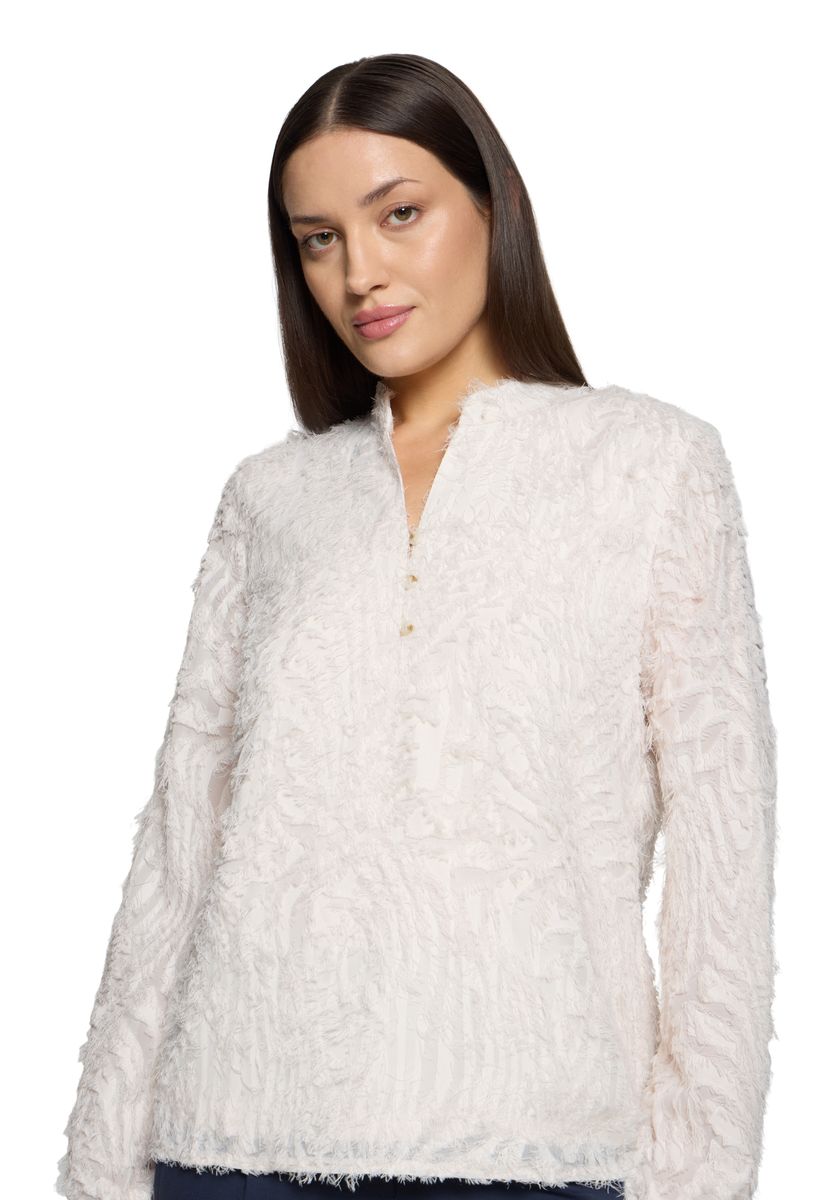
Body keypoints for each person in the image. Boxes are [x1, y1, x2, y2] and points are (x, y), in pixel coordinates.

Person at [56, 53, 778, 1200]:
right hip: (231, 1138)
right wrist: (104, 1167)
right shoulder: (269, 499)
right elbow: (179, 850)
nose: (360, 274)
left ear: (491, 206)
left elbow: (721, 853)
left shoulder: (651, 468)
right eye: (319, 239)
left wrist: (700, 1174)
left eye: (399, 214)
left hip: (535, 1146)